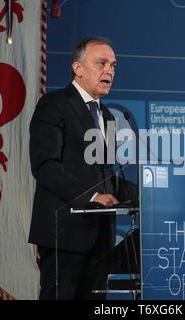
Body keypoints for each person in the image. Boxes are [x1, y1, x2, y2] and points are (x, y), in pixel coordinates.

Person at [28, 37, 137, 300]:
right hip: (64, 232)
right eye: (101, 63)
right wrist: (92, 197)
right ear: (78, 68)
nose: (109, 70)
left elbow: (105, 175)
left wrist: (148, 194)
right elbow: (45, 166)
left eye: (113, 65)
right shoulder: (54, 104)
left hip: (101, 236)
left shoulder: (108, 116)